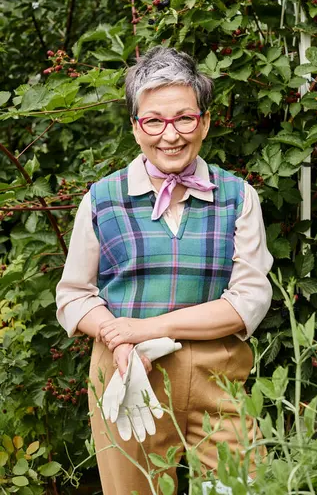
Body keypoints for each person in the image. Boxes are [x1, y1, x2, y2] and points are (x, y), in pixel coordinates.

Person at [56, 46, 273, 495]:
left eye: (184, 119)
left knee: (244, 487)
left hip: (219, 377)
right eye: (154, 121)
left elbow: (247, 302)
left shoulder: (238, 197)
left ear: (205, 122)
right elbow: (74, 295)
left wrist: (143, 327)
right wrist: (118, 337)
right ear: (136, 128)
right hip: (128, 374)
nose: (170, 135)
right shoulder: (102, 198)